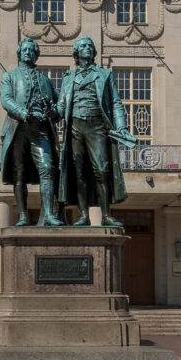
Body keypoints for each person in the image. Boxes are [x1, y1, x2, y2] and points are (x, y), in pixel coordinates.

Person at [54, 36, 135, 227]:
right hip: (75, 127)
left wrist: (121, 126)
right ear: (76, 52)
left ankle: (106, 215)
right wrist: (46, 112)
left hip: (97, 126)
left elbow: (115, 103)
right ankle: (83, 215)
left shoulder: (105, 75)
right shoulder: (68, 78)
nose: (88, 48)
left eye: (90, 46)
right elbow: (60, 107)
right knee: (79, 172)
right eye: (83, 46)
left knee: (102, 170)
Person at [0, 38, 64, 226]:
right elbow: (6, 100)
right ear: (19, 53)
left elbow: (58, 107)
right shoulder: (9, 77)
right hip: (17, 129)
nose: (28, 52)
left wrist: (52, 112)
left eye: (31, 50)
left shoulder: (45, 79)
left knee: (47, 169)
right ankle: (23, 215)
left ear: (36, 55)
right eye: (25, 50)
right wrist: (23, 112)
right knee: (19, 173)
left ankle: (50, 214)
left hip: (41, 130)